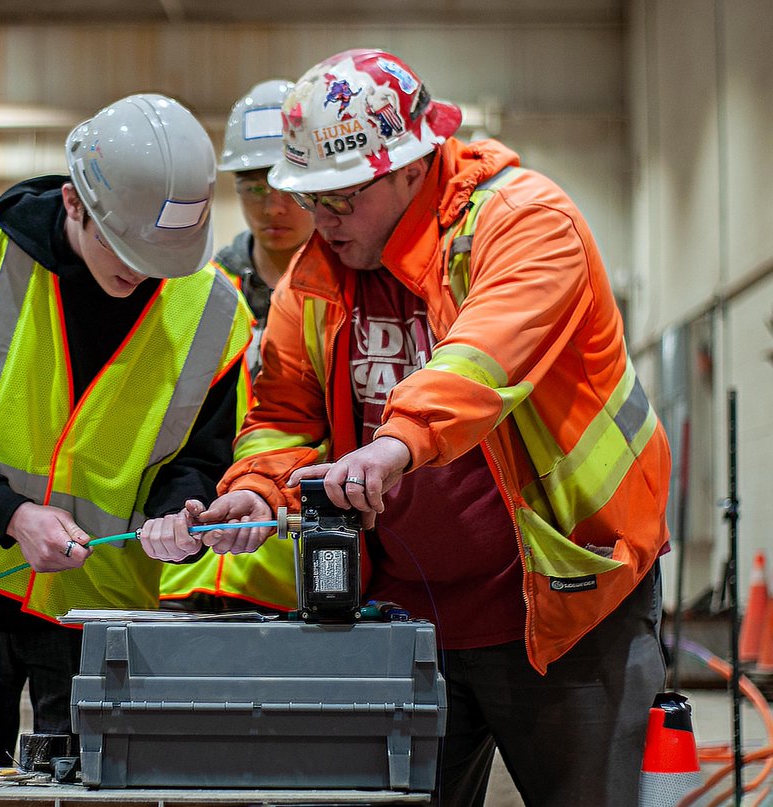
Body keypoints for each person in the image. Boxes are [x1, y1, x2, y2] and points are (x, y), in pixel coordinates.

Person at [181, 49, 673, 806]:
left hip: (566, 612)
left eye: (341, 199)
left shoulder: (527, 223)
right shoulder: (313, 279)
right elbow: (280, 414)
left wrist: (393, 442)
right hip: (399, 625)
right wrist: (256, 489)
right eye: (312, 200)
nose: (321, 222)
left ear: (413, 166)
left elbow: (481, 361)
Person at [0, 93, 252, 766]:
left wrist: (179, 511)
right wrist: (10, 513)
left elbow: (201, 455)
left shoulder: (217, 312)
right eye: (125, 250)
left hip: (104, 605)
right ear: (75, 202)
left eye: (161, 258)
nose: (140, 273)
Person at [159, 79, 314, 614]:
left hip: (295, 568)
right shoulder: (202, 295)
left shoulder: (344, 299)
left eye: (286, 186)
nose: (272, 207)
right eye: (253, 186)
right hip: (191, 567)